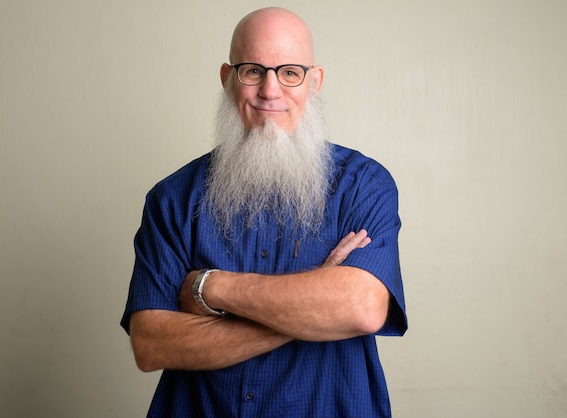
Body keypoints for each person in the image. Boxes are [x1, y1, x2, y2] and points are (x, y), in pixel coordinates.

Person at [121, 7, 407, 417]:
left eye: (289, 72)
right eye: (253, 71)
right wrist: (315, 307)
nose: (270, 90)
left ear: (314, 81)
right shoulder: (172, 198)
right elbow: (151, 346)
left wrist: (211, 287)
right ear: (227, 78)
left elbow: (362, 308)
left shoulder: (363, 185)